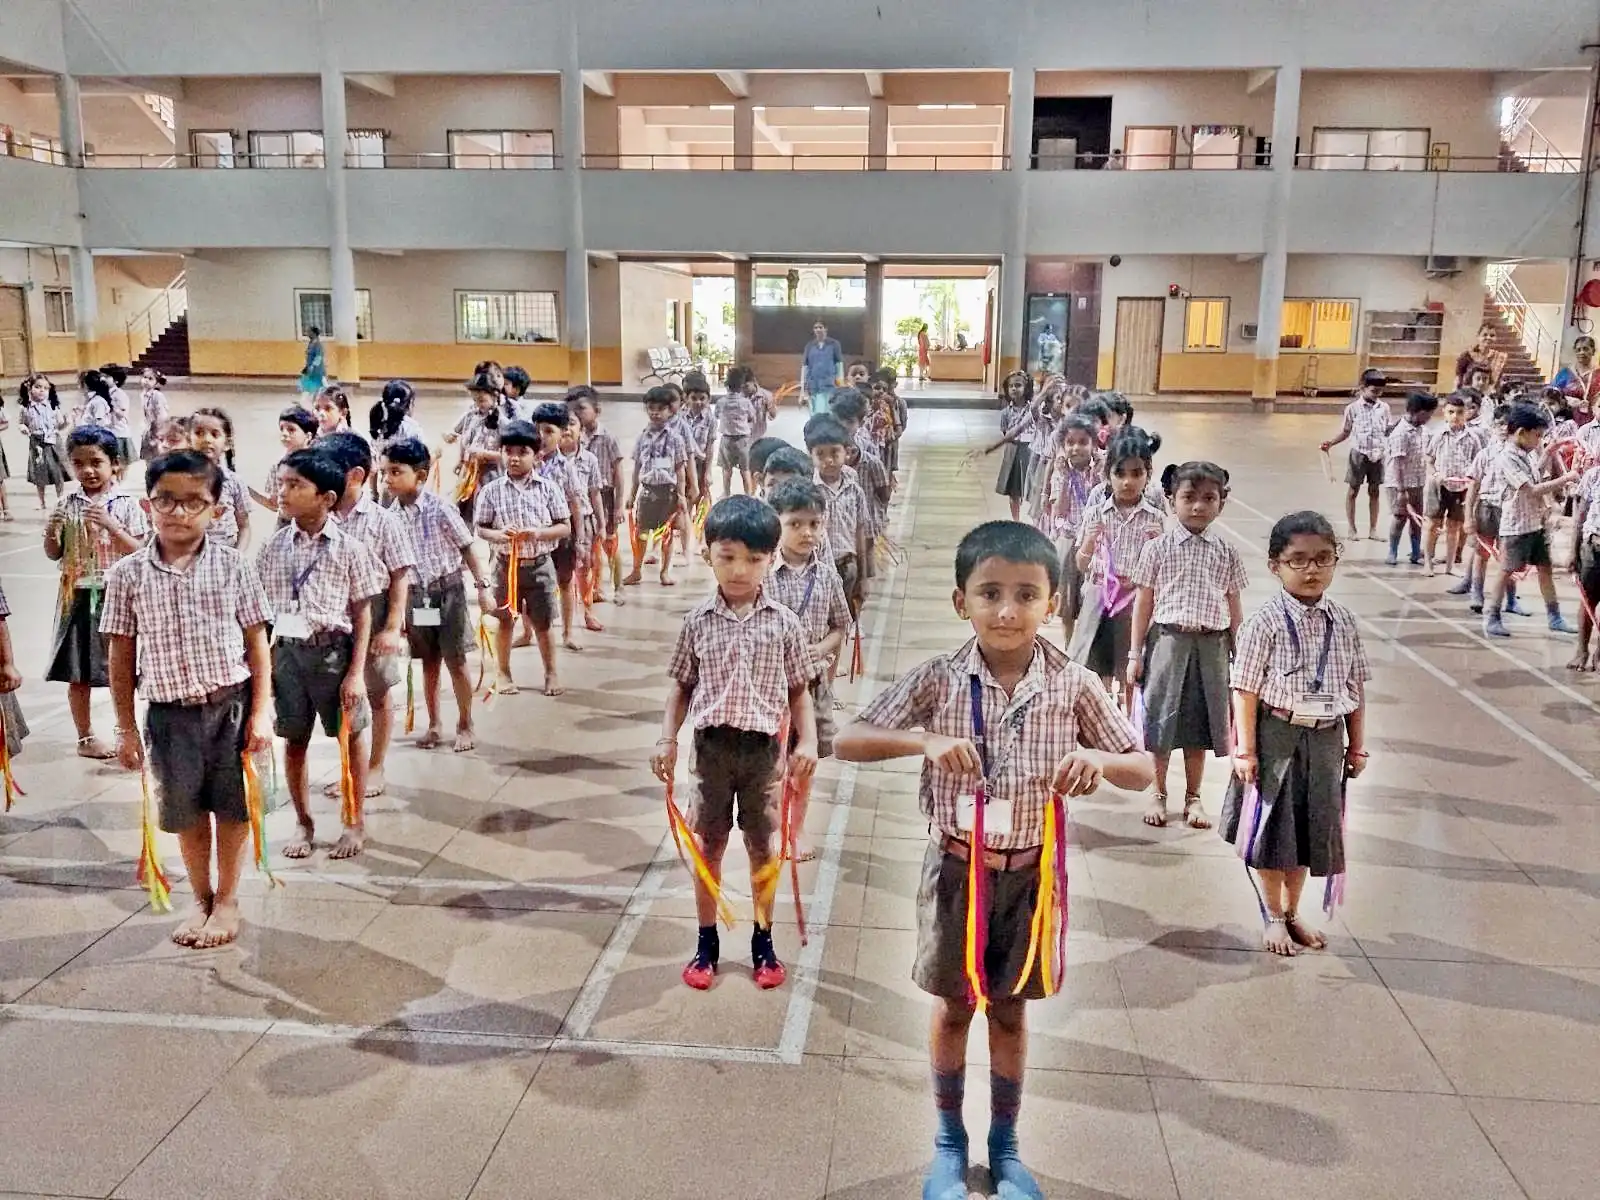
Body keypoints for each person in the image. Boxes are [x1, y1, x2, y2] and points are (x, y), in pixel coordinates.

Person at [834, 520, 1153, 1200]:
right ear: (962, 603)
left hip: (1031, 877)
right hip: (957, 871)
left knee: (1010, 1012)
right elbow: (850, 739)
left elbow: (1141, 766)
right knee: (954, 1008)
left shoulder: (1073, 684)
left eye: (1026, 594)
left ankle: (1005, 1148)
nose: (1007, 610)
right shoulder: (940, 679)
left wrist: (1098, 759)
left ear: (1053, 603)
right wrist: (922, 742)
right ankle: (949, 1144)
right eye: (989, 593)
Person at [101, 449, 273, 949]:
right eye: (166, 501)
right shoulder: (127, 575)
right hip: (168, 715)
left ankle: (228, 900)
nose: (178, 512)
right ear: (146, 504)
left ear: (216, 510)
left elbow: (258, 645)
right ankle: (201, 899)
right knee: (185, 812)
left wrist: (261, 712)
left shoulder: (234, 566)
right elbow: (120, 657)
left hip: (231, 707)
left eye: (193, 502)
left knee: (233, 808)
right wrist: (126, 729)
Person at [650, 494, 818, 992]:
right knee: (710, 844)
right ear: (708, 555)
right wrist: (667, 739)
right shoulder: (697, 621)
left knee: (765, 847)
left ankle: (763, 941)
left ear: (771, 558)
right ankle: (707, 943)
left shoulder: (784, 624)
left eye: (754, 558)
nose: (740, 569)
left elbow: (799, 690)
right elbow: (680, 686)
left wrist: (806, 742)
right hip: (711, 751)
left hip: (764, 752)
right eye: (727, 557)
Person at [1221, 510, 1370, 956]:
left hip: (1326, 738)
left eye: (1323, 559)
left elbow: (1356, 687)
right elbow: (1244, 689)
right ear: (1275, 565)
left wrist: (1357, 745)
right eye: (1299, 560)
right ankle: (1271, 914)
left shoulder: (1342, 621)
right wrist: (1245, 750)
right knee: (1275, 832)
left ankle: (1292, 911)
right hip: (1276, 736)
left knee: (1308, 828)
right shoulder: (1263, 622)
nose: (1312, 570)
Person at [257, 446, 387, 860]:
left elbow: (363, 613)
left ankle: (353, 820)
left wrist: (354, 674)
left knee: (348, 739)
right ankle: (303, 821)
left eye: (296, 485)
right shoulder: (273, 547)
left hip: (333, 655)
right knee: (293, 741)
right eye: (282, 483)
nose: (283, 492)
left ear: (327, 499)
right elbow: (258, 615)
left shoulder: (349, 549)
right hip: (287, 657)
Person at [1127, 461, 1245, 829]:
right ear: (1170, 500)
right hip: (1167, 641)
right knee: (1161, 724)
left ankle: (1193, 798)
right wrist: (1135, 654)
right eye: (1188, 497)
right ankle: (1158, 793)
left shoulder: (1227, 552)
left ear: (1221, 503)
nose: (1198, 506)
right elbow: (1143, 602)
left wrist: (1240, 653)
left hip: (1211, 646)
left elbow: (1233, 603)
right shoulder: (1157, 549)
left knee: (1199, 725)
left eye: (1208, 498)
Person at [318, 431, 417, 800]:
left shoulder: (382, 520)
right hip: (333, 616)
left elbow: (400, 575)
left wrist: (392, 626)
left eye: (330, 470)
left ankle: (375, 767)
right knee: (345, 697)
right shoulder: (319, 515)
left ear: (356, 475)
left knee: (376, 693)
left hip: (373, 614)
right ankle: (351, 768)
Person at [382, 437, 493, 750]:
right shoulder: (389, 516)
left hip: (449, 594)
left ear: (420, 475)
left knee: (455, 661)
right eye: (385, 472)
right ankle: (433, 725)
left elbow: (467, 547)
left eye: (395, 472)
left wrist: (483, 588)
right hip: (416, 598)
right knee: (428, 662)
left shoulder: (440, 508)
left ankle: (465, 723)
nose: (387, 479)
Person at [45, 425, 149, 760]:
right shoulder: (66, 503)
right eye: (79, 463)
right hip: (76, 594)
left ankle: (126, 733)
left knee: (123, 670)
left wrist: (110, 524)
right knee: (78, 671)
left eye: (96, 462)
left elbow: (139, 551)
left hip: (116, 596)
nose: (88, 470)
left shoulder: (126, 503)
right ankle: (85, 737)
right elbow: (54, 552)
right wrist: (52, 532)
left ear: (114, 464)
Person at [766, 479, 852, 862]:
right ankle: (770, 831)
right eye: (796, 523)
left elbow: (840, 625)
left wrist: (820, 648)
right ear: (776, 524)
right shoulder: (763, 573)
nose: (807, 532)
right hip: (768, 689)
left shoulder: (827, 576)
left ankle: (796, 831)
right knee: (770, 767)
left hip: (812, 687)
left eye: (814, 524)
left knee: (805, 765)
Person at [474, 419, 571, 696]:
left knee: (543, 624)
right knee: (504, 621)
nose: (514, 458)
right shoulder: (492, 490)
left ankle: (551, 673)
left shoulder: (548, 488)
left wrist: (538, 533)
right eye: (509, 451)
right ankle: (503, 673)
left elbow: (564, 526)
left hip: (540, 566)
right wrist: (498, 535)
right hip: (505, 567)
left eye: (522, 452)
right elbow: (480, 528)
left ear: (537, 455)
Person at [1070, 426, 1167, 703]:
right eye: (1120, 474)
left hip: (1136, 600)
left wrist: (1159, 544)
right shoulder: (1095, 514)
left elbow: (1163, 573)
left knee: (1130, 663)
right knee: (1097, 660)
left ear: (1148, 474)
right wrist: (1090, 542)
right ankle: (1101, 710)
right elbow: (1080, 564)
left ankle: (1128, 716)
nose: (1127, 482)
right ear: (1107, 475)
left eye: (1136, 474)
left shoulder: (1155, 519)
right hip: (1100, 594)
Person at [1482, 405, 1580, 639]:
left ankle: (1554, 616)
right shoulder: (1506, 458)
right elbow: (1532, 489)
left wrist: (1548, 454)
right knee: (1506, 570)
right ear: (1521, 433)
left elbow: (1534, 474)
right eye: (1537, 435)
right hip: (1517, 526)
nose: (1539, 440)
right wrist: (1566, 478)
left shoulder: (1524, 455)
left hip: (1535, 524)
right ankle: (1492, 615)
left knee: (1545, 569)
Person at [531, 401, 588, 654]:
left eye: (548, 431)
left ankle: (567, 632)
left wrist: (581, 539)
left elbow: (576, 503)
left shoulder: (565, 466)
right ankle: (527, 631)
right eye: (538, 430)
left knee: (564, 582)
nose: (541, 437)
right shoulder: (527, 462)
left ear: (562, 433)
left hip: (562, 533)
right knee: (531, 585)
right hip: (534, 535)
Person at [1037, 414, 1099, 646]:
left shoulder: (1101, 470)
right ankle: (1068, 643)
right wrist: (1064, 476)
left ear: (1094, 444)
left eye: (1083, 442)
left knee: (1091, 599)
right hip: (1069, 537)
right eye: (1070, 443)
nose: (1076, 448)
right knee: (1067, 599)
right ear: (1062, 446)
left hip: (1095, 543)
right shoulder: (1062, 470)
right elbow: (1060, 512)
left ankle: (1088, 647)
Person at [625, 387, 690, 589]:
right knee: (641, 533)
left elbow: (680, 469)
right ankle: (636, 570)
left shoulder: (675, 438)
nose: (655, 413)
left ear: (671, 411)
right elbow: (636, 467)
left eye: (660, 409)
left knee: (666, 535)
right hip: (647, 492)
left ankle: (665, 571)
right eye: (651, 408)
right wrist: (632, 494)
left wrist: (681, 495)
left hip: (667, 493)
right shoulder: (642, 437)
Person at [806, 413, 870, 618]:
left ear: (847, 453)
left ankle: (846, 637)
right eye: (820, 454)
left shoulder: (855, 490)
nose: (828, 460)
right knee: (821, 612)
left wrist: (863, 574)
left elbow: (860, 531)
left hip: (846, 562)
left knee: (846, 606)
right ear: (811, 455)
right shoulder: (808, 491)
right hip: (817, 565)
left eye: (835, 452)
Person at [1320, 369, 1395, 541]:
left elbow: (1388, 430)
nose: (1377, 395)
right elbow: (1346, 431)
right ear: (1363, 388)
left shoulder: (1384, 408)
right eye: (1373, 391)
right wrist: (1330, 443)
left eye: (1380, 392)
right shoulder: (1352, 409)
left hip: (1378, 454)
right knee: (1353, 491)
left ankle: (1373, 529)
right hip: (1359, 454)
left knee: (1374, 491)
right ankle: (1352, 529)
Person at [571, 388, 626, 607]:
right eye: (574, 411)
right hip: (584, 498)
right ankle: (595, 588)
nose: (578, 414)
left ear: (597, 410)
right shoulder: (575, 437)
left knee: (609, 543)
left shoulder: (608, 438)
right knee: (590, 545)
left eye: (582, 409)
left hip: (605, 495)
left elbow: (619, 474)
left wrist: (619, 505)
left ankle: (619, 586)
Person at [1423, 393, 1483, 577]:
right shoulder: (1439, 434)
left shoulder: (1473, 437)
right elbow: (1429, 459)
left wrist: (1472, 482)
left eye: (1459, 412)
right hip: (1440, 485)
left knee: (1454, 527)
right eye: (1451, 412)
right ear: (1444, 413)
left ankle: (1450, 565)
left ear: (1466, 413)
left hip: (1461, 488)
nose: (1455, 416)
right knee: (1432, 525)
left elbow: (1477, 463)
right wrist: (1435, 475)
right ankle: (1428, 563)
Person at [1381, 392, 1438, 567]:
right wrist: (1401, 490)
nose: (1429, 417)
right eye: (1428, 413)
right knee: (1400, 517)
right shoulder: (1400, 433)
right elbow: (1398, 463)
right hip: (1400, 483)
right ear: (1418, 411)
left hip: (1417, 481)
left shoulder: (1423, 431)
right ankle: (1393, 551)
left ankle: (1415, 552)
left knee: (1417, 519)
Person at [969, 371, 1035, 522]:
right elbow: (1005, 432)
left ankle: (1033, 519)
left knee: (1032, 487)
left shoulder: (1033, 410)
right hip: (1012, 451)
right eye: (1011, 386)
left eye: (1018, 385)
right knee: (1014, 491)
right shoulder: (1006, 413)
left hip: (1030, 451)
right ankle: (1016, 520)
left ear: (1027, 388)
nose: (1014, 389)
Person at [190, 407, 252, 551]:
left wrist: (238, 558)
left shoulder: (234, 481)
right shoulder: (180, 480)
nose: (206, 439)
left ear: (227, 444)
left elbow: (244, 527)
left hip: (224, 558)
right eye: (199, 433)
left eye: (215, 434)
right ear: (189, 439)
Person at [248, 405, 318, 512]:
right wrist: (247, 489)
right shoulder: (277, 465)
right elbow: (274, 504)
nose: (284, 434)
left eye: (291, 429)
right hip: (286, 523)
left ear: (308, 436)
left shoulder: (319, 464)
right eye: (282, 429)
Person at [1570, 455, 1600, 670]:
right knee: (1588, 599)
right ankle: (1581, 650)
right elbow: (1579, 518)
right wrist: (1573, 551)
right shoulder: (1593, 476)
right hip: (1593, 546)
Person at [21, 374, 67, 510]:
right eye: (38, 387)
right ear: (30, 389)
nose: (42, 390)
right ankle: (41, 501)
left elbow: (60, 425)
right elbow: (22, 423)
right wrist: (23, 428)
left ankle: (60, 497)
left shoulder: (53, 407)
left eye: (45, 388)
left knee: (57, 471)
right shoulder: (26, 408)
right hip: (37, 442)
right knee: (39, 472)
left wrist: (68, 421)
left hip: (53, 441)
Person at [715, 366, 757, 497]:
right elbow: (752, 417)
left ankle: (726, 493)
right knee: (745, 469)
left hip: (727, 439)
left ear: (726, 386)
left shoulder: (721, 402)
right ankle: (748, 494)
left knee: (726, 469)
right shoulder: (746, 402)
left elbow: (716, 415)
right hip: (743, 439)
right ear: (741, 386)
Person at [1553, 334, 1600, 421]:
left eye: (1585, 349)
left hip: (1594, 423)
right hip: (1567, 420)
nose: (1581, 352)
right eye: (1578, 350)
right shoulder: (1564, 374)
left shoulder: (1598, 374)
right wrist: (1565, 400)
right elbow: (1550, 395)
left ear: (1593, 351)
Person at [801, 321, 844, 415]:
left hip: (829, 384)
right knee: (814, 412)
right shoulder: (810, 346)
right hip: (813, 384)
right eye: (815, 327)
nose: (818, 329)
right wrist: (803, 390)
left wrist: (840, 383)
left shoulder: (834, 344)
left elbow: (839, 364)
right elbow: (805, 367)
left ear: (826, 329)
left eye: (820, 327)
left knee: (828, 411)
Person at [99, 364, 136, 466]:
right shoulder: (104, 393)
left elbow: (122, 413)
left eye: (106, 377)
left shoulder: (120, 394)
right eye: (101, 376)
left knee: (119, 462)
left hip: (119, 432)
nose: (102, 379)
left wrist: (112, 406)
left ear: (116, 380)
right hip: (108, 431)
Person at [300, 325, 326, 395]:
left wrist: (313, 366)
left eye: (309, 332)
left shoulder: (317, 344)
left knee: (318, 385)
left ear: (314, 333)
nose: (307, 333)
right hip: (310, 368)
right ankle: (308, 399)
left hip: (317, 369)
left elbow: (319, 356)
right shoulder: (311, 343)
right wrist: (307, 366)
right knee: (308, 384)